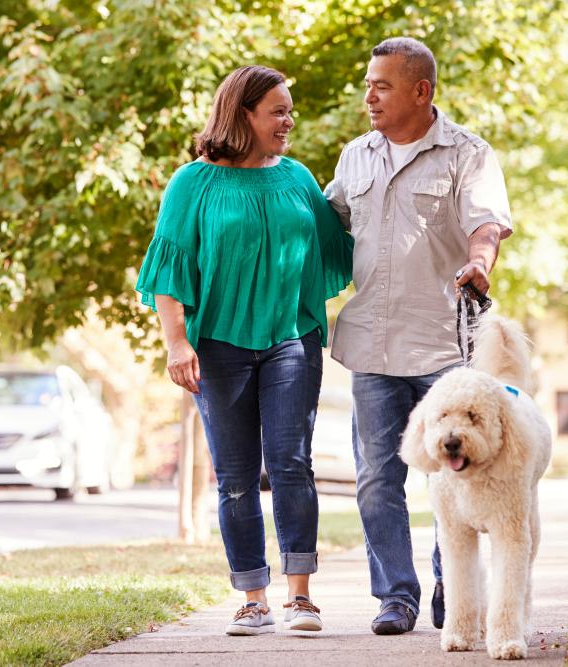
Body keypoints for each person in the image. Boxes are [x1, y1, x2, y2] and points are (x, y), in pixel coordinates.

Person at [136, 65, 353, 636]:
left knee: (291, 464)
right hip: (218, 348)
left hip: (290, 340)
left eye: (289, 110)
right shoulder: (193, 183)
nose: (289, 120)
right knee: (235, 476)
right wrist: (176, 340)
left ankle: (300, 596)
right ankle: (253, 596)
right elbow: (169, 267)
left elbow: (342, 242)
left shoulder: (298, 178)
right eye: (278, 111)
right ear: (243, 115)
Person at [324, 37, 513, 635]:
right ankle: (395, 597)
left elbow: (487, 223)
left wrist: (480, 261)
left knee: (452, 474)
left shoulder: (467, 154)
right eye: (368, 83)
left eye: (382, 85)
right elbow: (327, 226)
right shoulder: (356, 156)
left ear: (421, 91)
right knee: (378, 474)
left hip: (444, 347)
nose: (369, 95)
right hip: (372, 346)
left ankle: (448, 590)